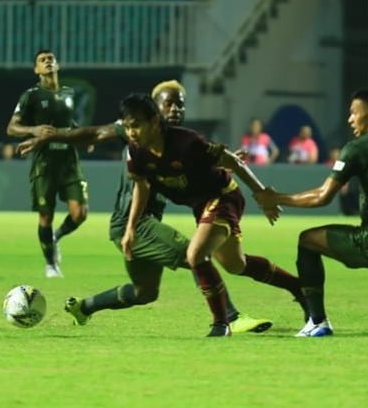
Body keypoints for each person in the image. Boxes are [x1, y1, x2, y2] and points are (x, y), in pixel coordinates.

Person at [18, 80, 273, 334]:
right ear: (153, 110)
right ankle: (230, 317)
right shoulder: (133, 130)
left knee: (145, 293)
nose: (174, 110)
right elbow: (95, 133)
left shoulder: (180, 142)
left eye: (179, 105)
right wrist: (51, 137)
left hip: (140, 225)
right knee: (194, 255)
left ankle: (83, 308)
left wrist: (220, 167)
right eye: (168, 104)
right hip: (134, 223)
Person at [255, 88, 368, 337]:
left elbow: (323, 197)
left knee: (307, 241)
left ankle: (317, 321)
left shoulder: (359, 147)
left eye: (354, 112)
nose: (350, 119)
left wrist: (277, 198)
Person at [119, 93, 307, 337]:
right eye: (127, 127)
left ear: (154, 121)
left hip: (223, 197)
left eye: (136, 125)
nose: (131, 132)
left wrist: (262, 197)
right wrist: (131, 228)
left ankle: (221, 324)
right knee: (235, 264)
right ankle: (298, 287)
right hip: (202, 205)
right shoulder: (136, 153)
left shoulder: (187, 143)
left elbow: (234, 163)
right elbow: (141, 187)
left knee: (195, 255)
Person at [6, 50, 88, 278]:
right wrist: (33, 129)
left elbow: (69, 122)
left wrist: (84, 137)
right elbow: (11, 128)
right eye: (42, 60)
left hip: (69, 161)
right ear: (36, 70)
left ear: (57, 65)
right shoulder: (31, 96)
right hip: (44, 163)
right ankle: (51, 264)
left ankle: (56, 236)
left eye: (51, 59)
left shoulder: (69, 93)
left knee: (80, 213)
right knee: (45, 216)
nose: (48, 62)